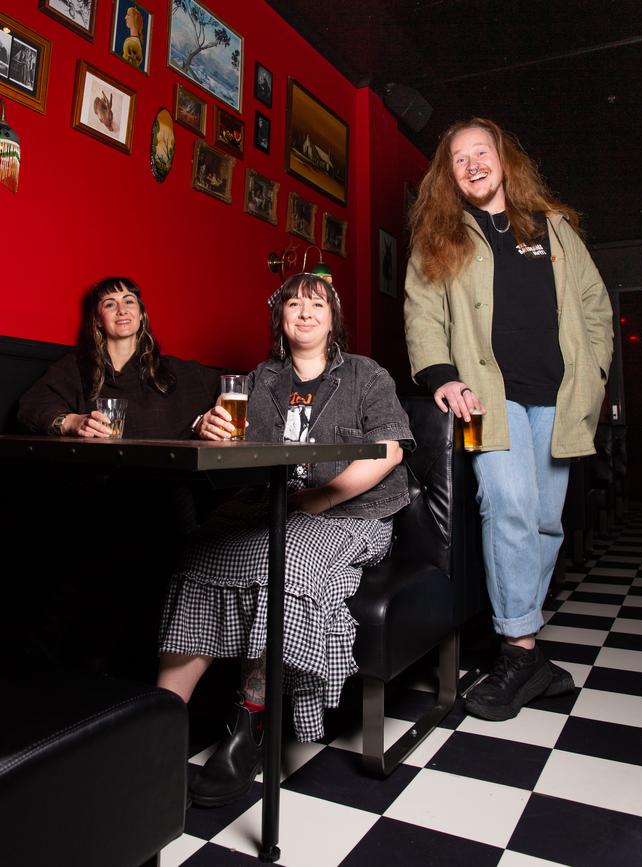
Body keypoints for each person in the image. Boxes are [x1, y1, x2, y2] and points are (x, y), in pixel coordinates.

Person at [157, 272, 414, 806]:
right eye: (293, 303)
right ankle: (157, 728)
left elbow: (390, 450)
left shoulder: (366, 375)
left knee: (287, 555)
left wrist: (316, 501)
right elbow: (231, 450)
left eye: (316, 303)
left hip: (352, 515)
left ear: (332, 318)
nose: (304, 312)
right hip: (273, 507)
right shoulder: (259, 381)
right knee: (200, 550)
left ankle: (249, 723)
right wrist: (209, 427)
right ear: (280, 318)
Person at [404, 118, 613, 722]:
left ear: (504, 159)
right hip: (485, 403)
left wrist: (595, 373)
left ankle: (529, 654)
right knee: (506, 503)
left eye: (481, 152)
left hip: (561, 399)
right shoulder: (439, 237)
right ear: (448, 175)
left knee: (546, 521)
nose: (472, 164)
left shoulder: (554, 229)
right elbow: (422, 313)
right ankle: (518, 649)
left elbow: (595, 308)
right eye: (458, 159)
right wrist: (442, 376)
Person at [18, 276, 220, 439]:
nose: (122, 310)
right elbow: (30, 407)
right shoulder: (76, 367)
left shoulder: (175, 371)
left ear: (141, 314)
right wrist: (72, 422)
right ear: (97, 320)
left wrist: (203, 422)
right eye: (110, 304)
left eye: (129, 301)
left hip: (169, 480)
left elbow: (231, 386)